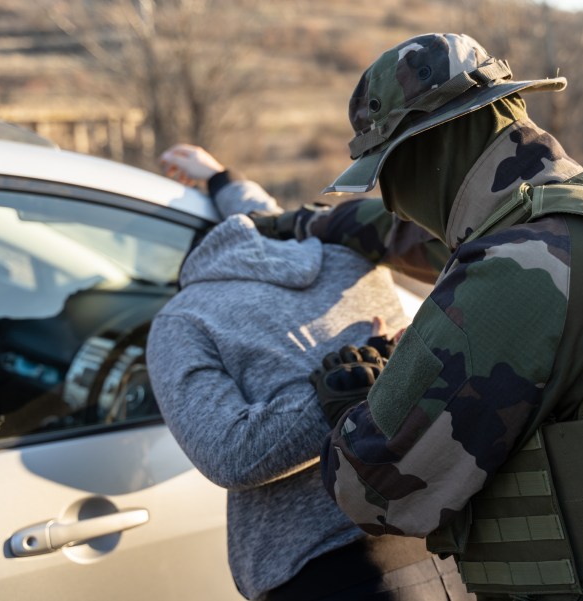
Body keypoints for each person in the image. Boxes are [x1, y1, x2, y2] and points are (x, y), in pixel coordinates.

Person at [263, 33, 583, 601]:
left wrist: (349, 404)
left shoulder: (516, 268)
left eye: (390, 176)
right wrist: (294, 223)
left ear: (428, 152)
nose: (394, 200)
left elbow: (376, 491)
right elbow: (410, 235)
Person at [147, 143, 475, 601]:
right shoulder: (347, 258)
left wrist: (339, 390)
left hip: (321, 568)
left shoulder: (183, 320)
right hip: (444, 537)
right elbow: (268, 221)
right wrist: (222, 177)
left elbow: (230, 455)